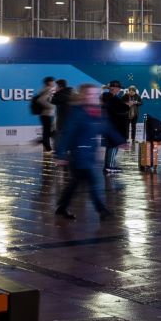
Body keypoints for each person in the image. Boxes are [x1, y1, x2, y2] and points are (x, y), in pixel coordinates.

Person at [55, 83, 121, 219]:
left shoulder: (97, 110)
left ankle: (62, 207)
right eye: (90, 94)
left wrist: (120, 141)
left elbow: (107, 127)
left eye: (96, 94)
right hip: (79, 154)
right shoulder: (77, 112)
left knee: (75, 183)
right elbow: (67, 133)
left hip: (91, 152)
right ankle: (102, 211)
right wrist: (60, 153)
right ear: (83, 95)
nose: (94, 96)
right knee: (93, 181)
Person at [101, 81, 130, 173]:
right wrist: (127, 106)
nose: (119, 90)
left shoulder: (109, 98)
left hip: (110, 125)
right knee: (113, 146)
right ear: (114, 88)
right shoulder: (110, 98)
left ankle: (108, 165)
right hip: (113, 125)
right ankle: (110, 166)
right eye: (118, 88)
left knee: (111, 146)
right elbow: (119, 110)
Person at [32, 76, 56, 153]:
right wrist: (51, 106)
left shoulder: (43, 89)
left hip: (44, 114)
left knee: (47, 131)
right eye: (52, 81)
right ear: (49, 82)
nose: (54, 83)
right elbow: (41, 100)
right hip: (48, 113)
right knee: (50, 131)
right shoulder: (49, 89)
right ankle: (43, 143)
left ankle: (46, 146)